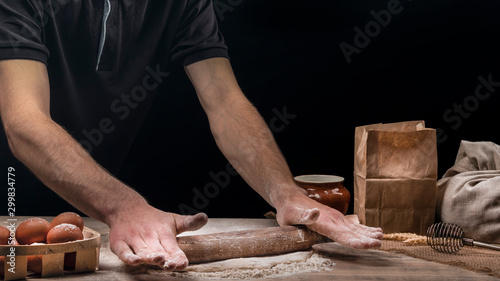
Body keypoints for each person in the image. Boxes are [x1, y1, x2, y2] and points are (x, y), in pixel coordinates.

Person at [0, 0, 383, 271]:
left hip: (94, 214)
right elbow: (24, 122)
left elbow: (224, 101)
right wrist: (124, 207)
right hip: (11, 198)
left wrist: (284, 192)